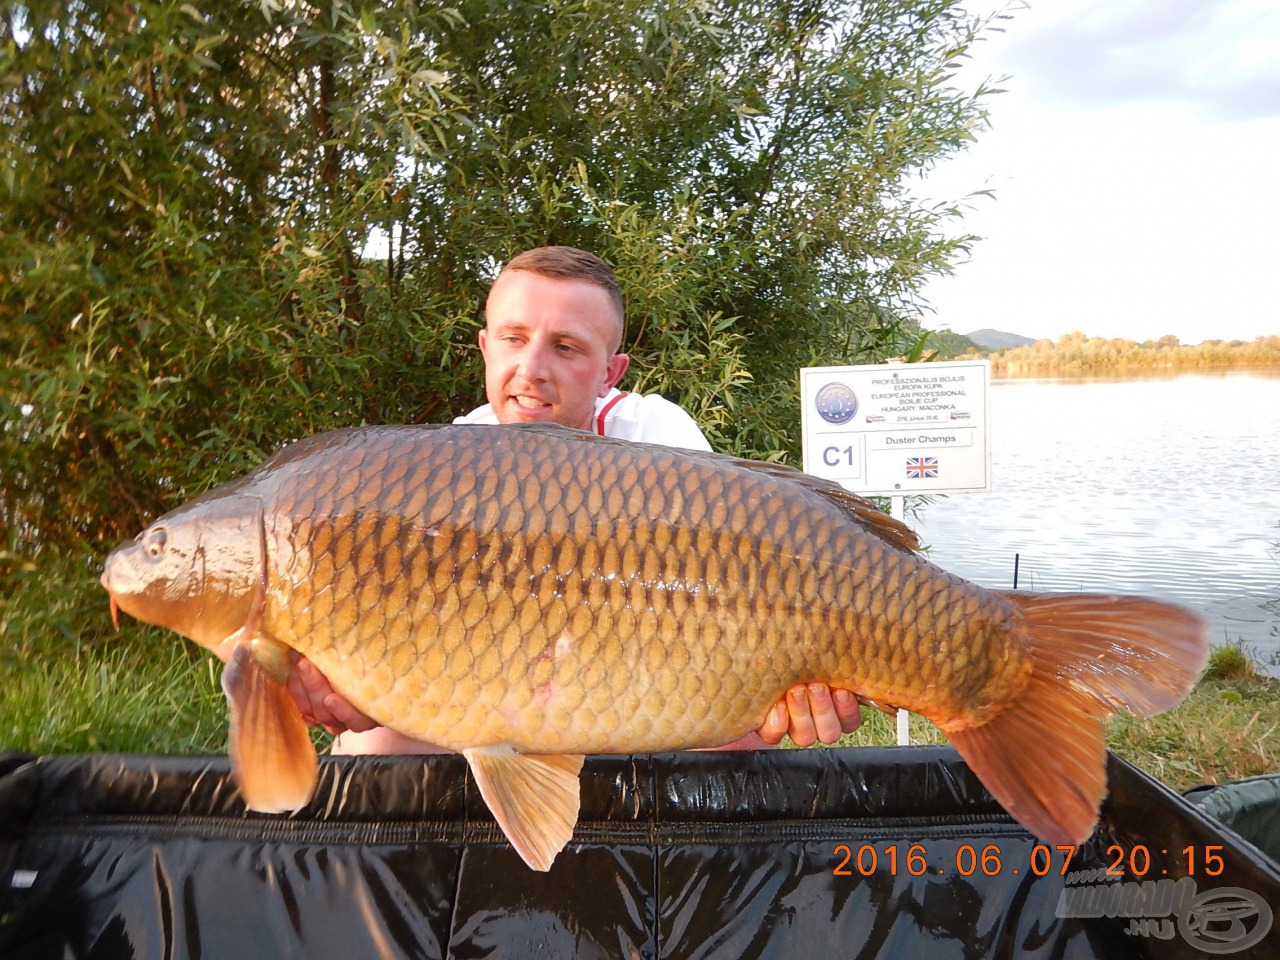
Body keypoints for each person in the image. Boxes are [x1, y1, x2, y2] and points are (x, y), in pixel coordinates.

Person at [289, 246, 861, 753]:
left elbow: (748, 581)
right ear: (486, 347)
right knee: (373, 746)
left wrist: (798, 686)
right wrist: (371, 691)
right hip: (510, 687)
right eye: (514, 339)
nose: (531, 370)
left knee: (736, 736)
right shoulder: (450, 461)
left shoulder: (660, 441)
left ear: (610, 372)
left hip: (644, 680)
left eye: (565, 347)